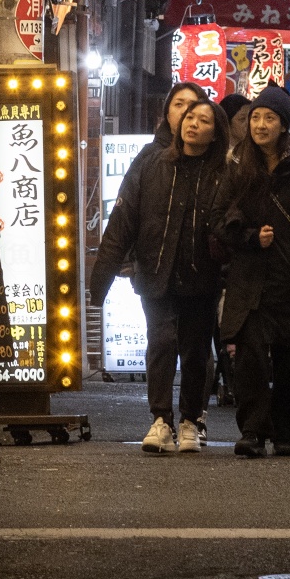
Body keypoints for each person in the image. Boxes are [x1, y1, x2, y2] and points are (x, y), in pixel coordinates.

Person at [92, 97, 232, 454]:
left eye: (203, 119)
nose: (193, 123)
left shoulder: (225, 173)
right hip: (156, 273)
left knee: (196, 349)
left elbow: (234, 225)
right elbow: (123, 221)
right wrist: (101, 280)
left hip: (203, 275)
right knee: (162, 341)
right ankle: (160, 420)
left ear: (216, 133)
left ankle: (190, 419)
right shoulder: (153, 163)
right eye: (188, 117)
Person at [215, 85, 290, 457]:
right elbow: (217, 219)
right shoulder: (237, 166)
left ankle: (285, 431)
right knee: (249, 359)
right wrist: (252, 237)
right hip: (250, 276)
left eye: (269, 118)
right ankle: (251, 430)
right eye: (255, 117)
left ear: (283, 125)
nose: (260, 124)